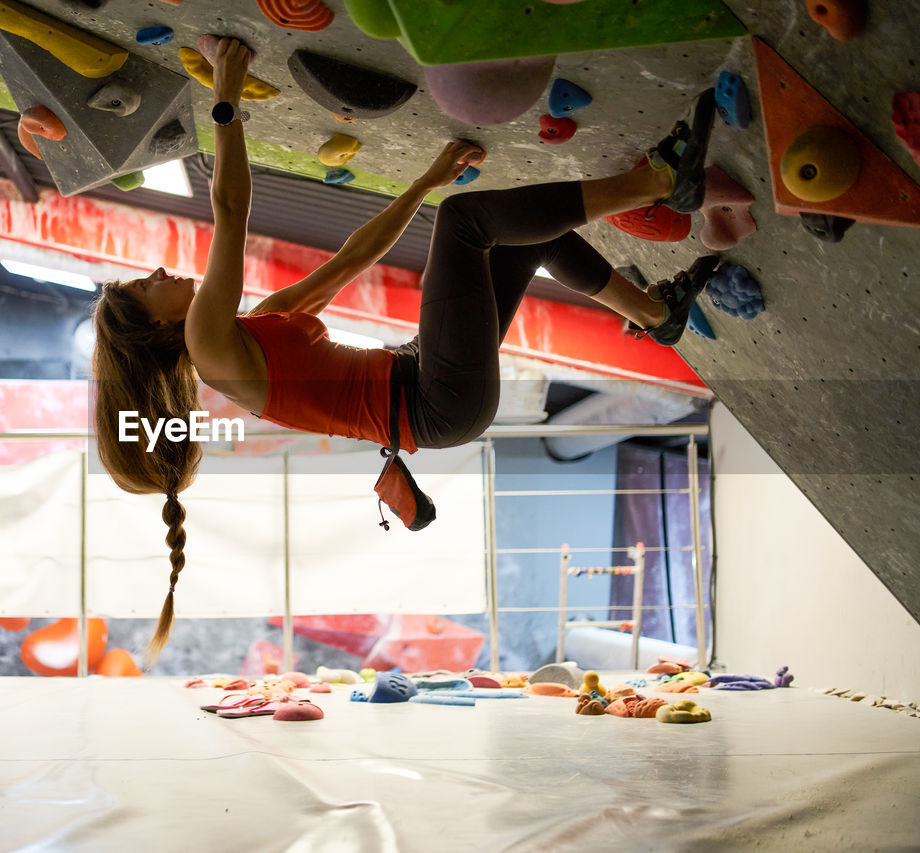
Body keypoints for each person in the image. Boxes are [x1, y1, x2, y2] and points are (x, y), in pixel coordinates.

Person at [92, 38, 720, 663]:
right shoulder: (210, 346)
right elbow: (230, 212)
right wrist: (224, 93)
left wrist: (425, 181)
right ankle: (661, 180)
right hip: (432, 400)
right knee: (467, 223)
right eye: (146, 286)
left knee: (519, 240)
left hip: (427, 384)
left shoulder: (249, 331)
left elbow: (351, 260)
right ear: (153, 329)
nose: (155, 271)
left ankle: (654, 313)